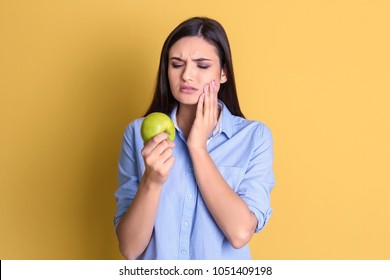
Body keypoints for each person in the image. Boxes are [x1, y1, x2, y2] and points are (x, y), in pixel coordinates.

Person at [114, 16, 275, 260]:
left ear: (223, 73)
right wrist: (153, 181)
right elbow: (129, 248)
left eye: (202, 66)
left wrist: (197, 147)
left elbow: (240, 232)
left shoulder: (254, 137)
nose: (187, 76)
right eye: (176, 64)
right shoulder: (137, 135)